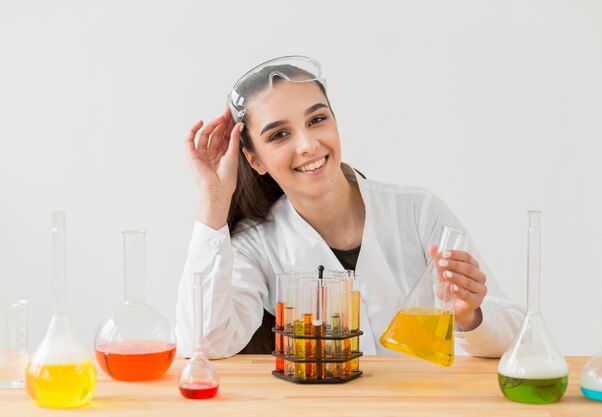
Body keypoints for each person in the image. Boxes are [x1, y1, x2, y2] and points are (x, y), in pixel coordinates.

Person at [176, 56, 523, 359]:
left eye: (317, 120)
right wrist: (213, 198)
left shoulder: (417, 211)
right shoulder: (256, 246)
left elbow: (517, 334)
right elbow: (203, 344)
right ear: (253, 159)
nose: (309, 145)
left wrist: (468, 316)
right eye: (279, 135)